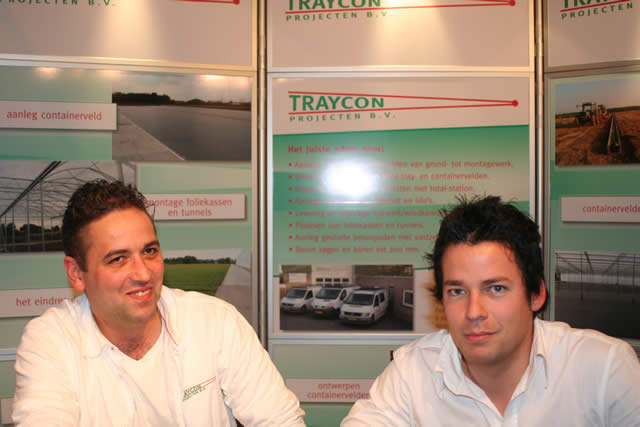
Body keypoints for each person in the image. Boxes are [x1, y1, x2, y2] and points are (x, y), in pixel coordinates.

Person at [13, 179, 305, 426]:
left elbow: (280, 421)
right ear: (77, 274)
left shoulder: (215, 321)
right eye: (118, 259)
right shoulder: (52, 340)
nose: (143, 274)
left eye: (149, 251)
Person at [342, 195, 640, 426]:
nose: (474, 312)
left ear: (536, 294)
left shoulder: (604, 368)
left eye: (496, 288)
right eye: (457, 291)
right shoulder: (411, 372)